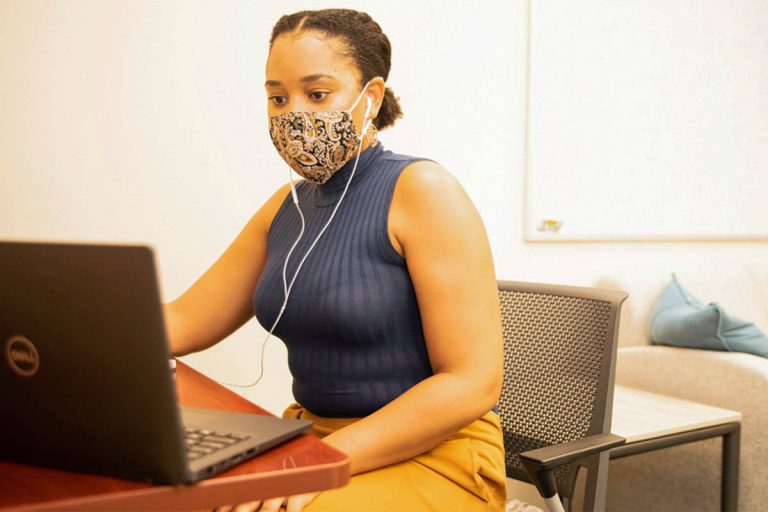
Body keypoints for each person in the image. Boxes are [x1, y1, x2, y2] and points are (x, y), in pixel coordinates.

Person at [164, 8, 506, 512]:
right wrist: (67, 337)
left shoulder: (423, 189)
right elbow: (184, 320)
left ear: (371, 96)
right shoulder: (286, 207)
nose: (293, 114)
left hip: (435, 455)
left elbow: (472, 382)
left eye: (318, 94)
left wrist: (316, 461)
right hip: (312, 437)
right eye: (278, 98)